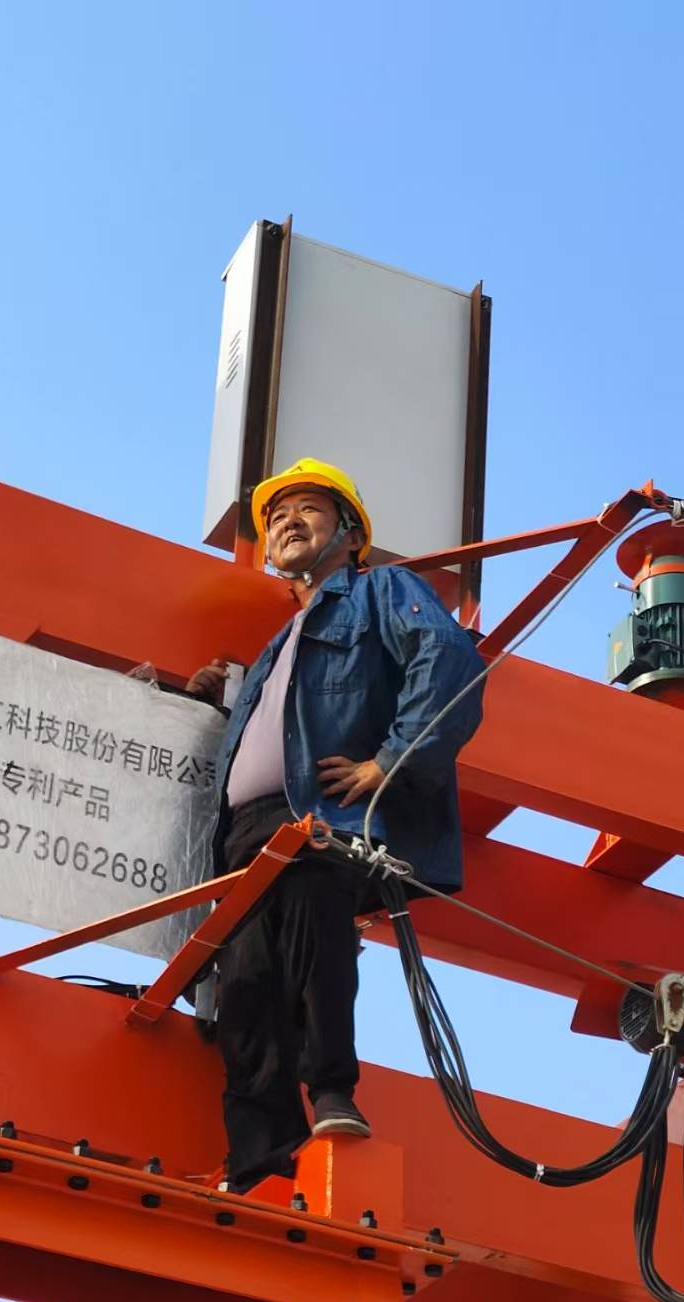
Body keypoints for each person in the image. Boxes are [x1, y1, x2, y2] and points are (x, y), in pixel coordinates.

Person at [186, 458, 484, 1194]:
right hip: (243, 834)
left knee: (315, 922)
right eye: (276, 515)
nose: (287, 521)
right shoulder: (272, 650)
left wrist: (391, 760)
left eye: (309, 509)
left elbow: (448, 660)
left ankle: (329, 1090)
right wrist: (204, 699)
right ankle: (260, 1155)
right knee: (245, 982)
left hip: (320, 813)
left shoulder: (382, 592)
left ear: (351, 535)